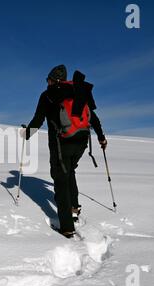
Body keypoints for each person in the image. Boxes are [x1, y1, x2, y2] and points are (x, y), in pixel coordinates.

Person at [21, 65, 107, 238]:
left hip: (61, 143)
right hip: (82, 141)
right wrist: (101, 137)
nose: (47, 82)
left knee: (60, 178)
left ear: (53, 80)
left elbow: (38, 120)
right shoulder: (79, 90)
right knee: (70, 171)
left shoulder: (47, 95)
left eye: (48, 79)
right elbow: (94, 118)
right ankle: (73, 207)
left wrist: (26, 133)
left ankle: (67, 227)